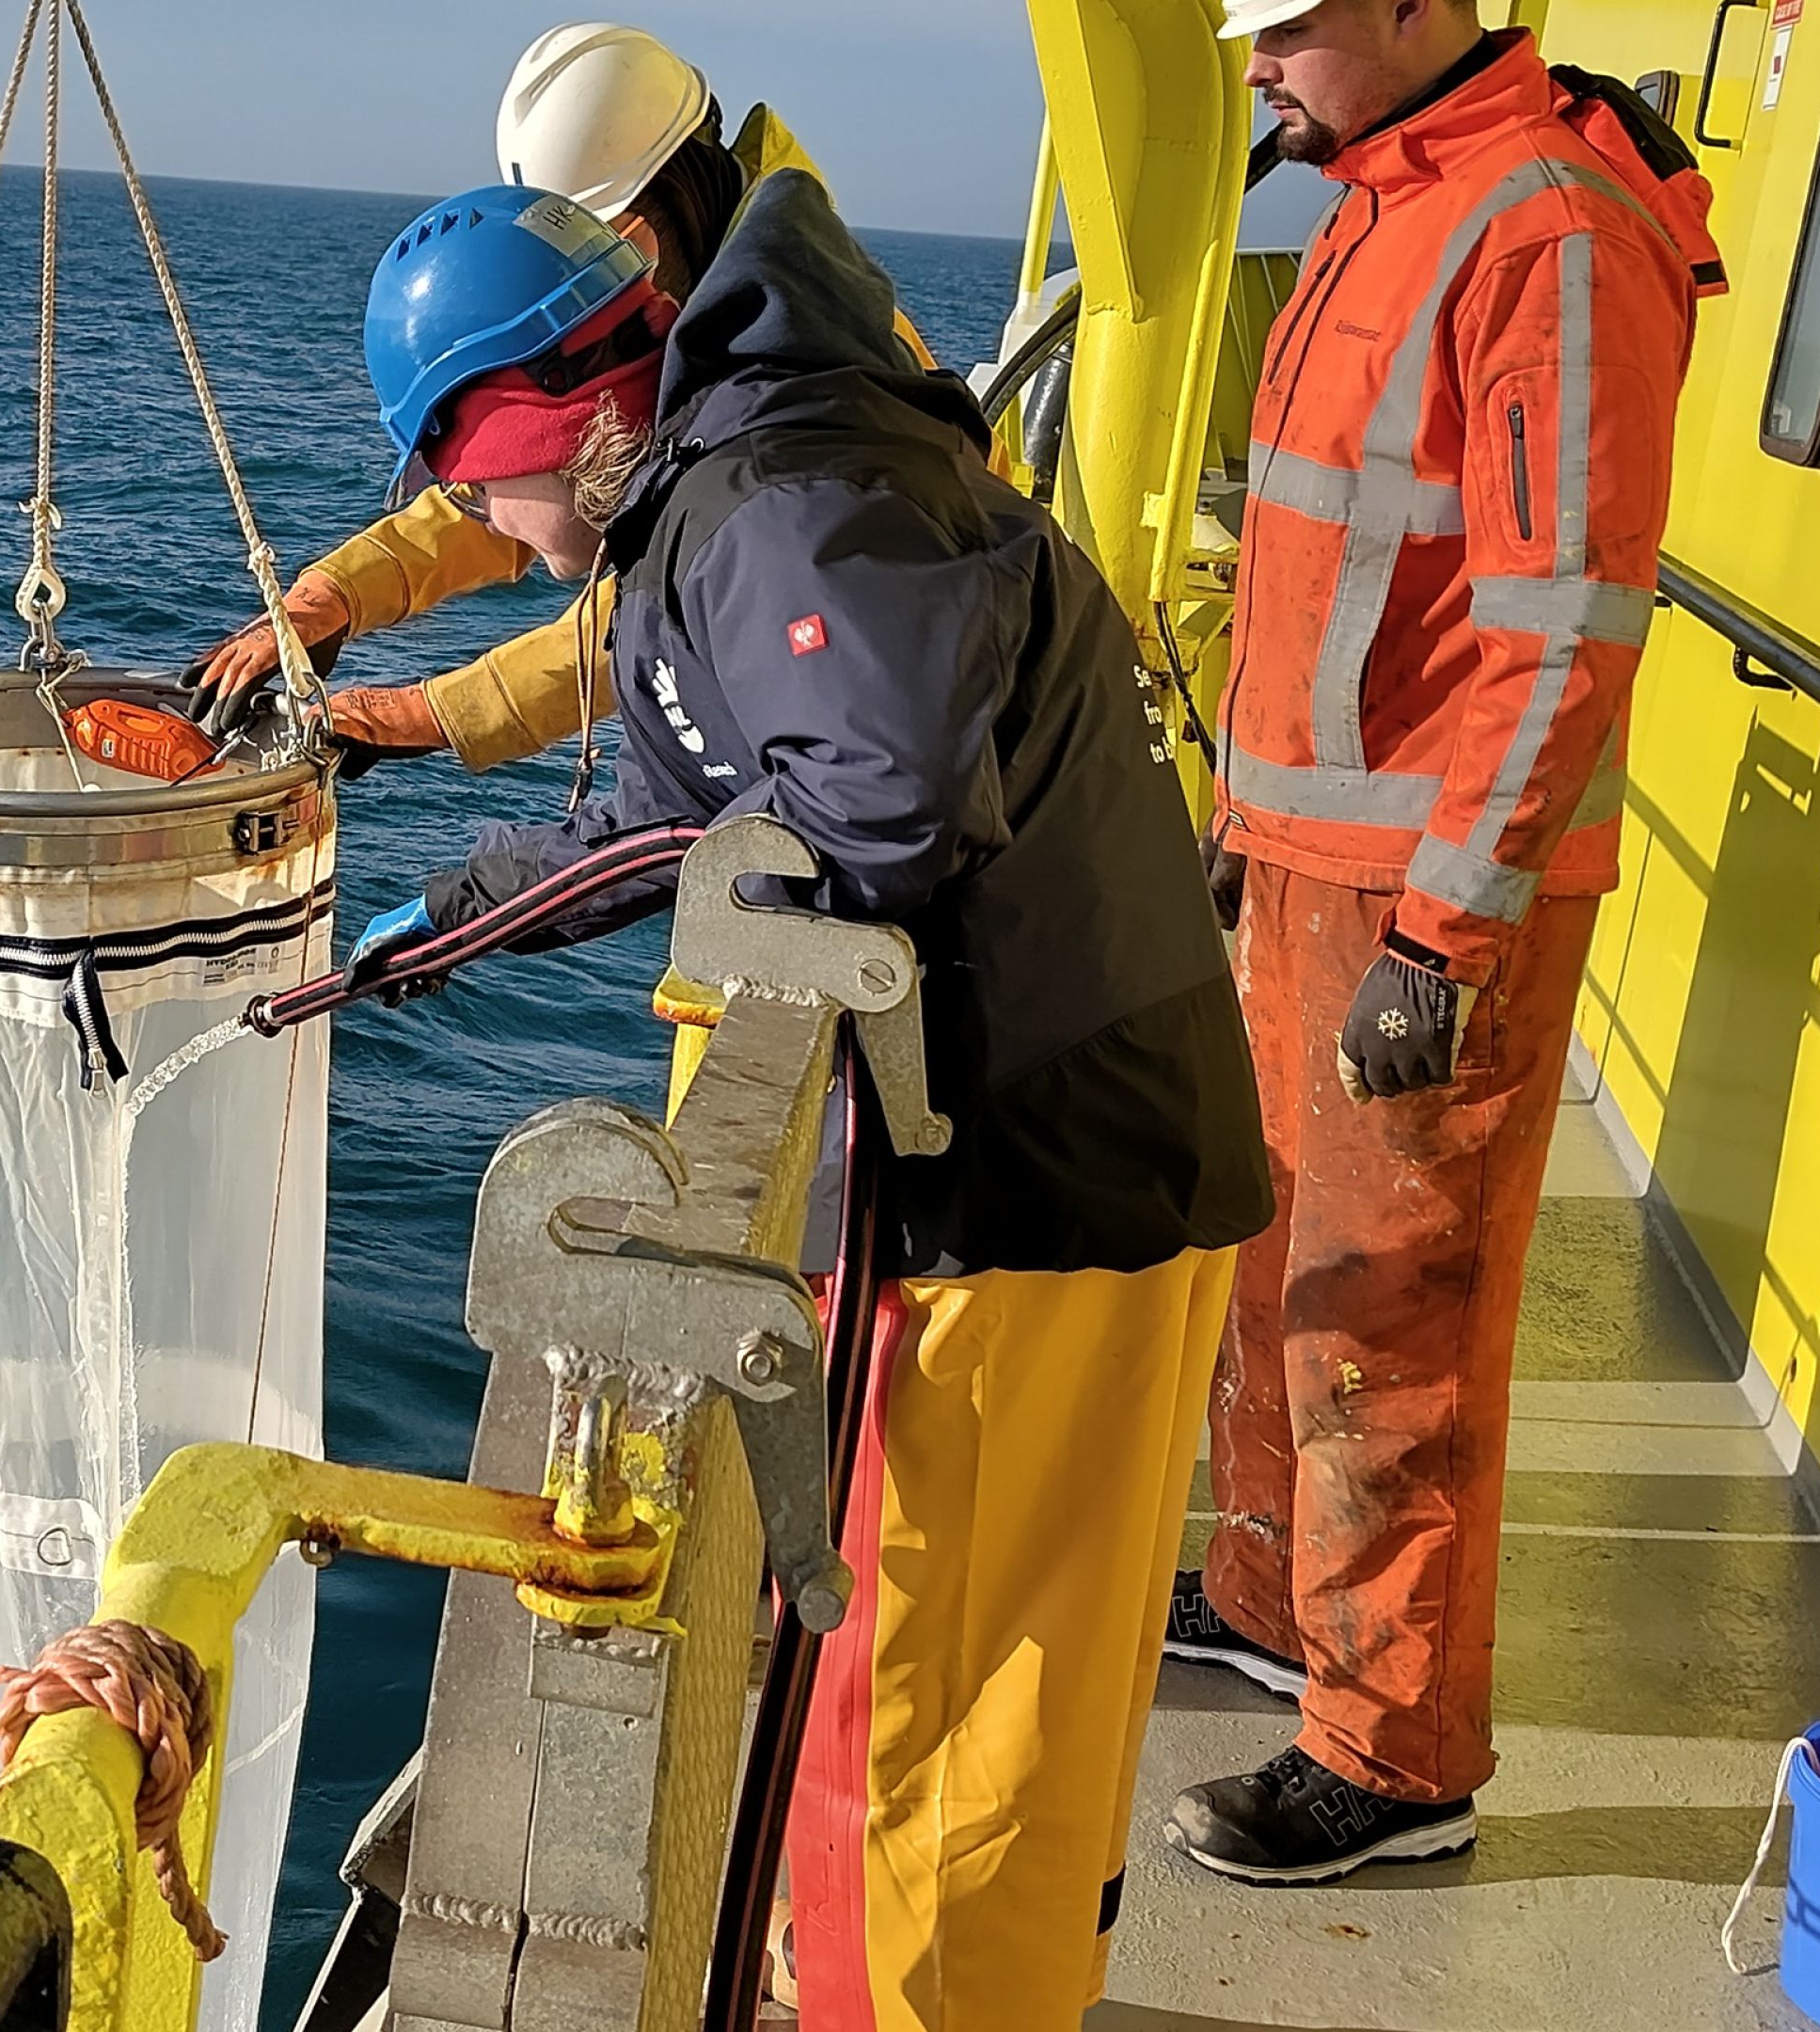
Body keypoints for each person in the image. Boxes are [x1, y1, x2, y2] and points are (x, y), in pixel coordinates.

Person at [340, 175, 1273, 2030]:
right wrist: (461, 913)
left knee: (959, 1700)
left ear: (542, 418)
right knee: (967, 1669)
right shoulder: (756, 474)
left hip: (1031, 1172)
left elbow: (876, 805)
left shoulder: (774, 508)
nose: (501, 536)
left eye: (482, 489)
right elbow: (690, 801)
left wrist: (578, 897)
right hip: (1064, 1139)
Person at [1161, 0, 1724, 1885]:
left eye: (1288, 30)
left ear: (1415, 5)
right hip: (1319, 864)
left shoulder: (1544, 222)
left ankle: (1391, 1760)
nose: (1257, 68)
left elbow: (1562, 620)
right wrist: (1255, 836)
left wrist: (1443, 928)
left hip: (1422, 900)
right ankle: (1267, 1599)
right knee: (1279, 1273)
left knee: (1391, 1327)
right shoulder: (1385, 187)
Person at [189, 21, 931, 775]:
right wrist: (333, 595)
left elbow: (683, 600)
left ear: (638, 233)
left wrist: (430, 713)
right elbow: (538, 481)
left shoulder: (791, 371)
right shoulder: (707, 311)